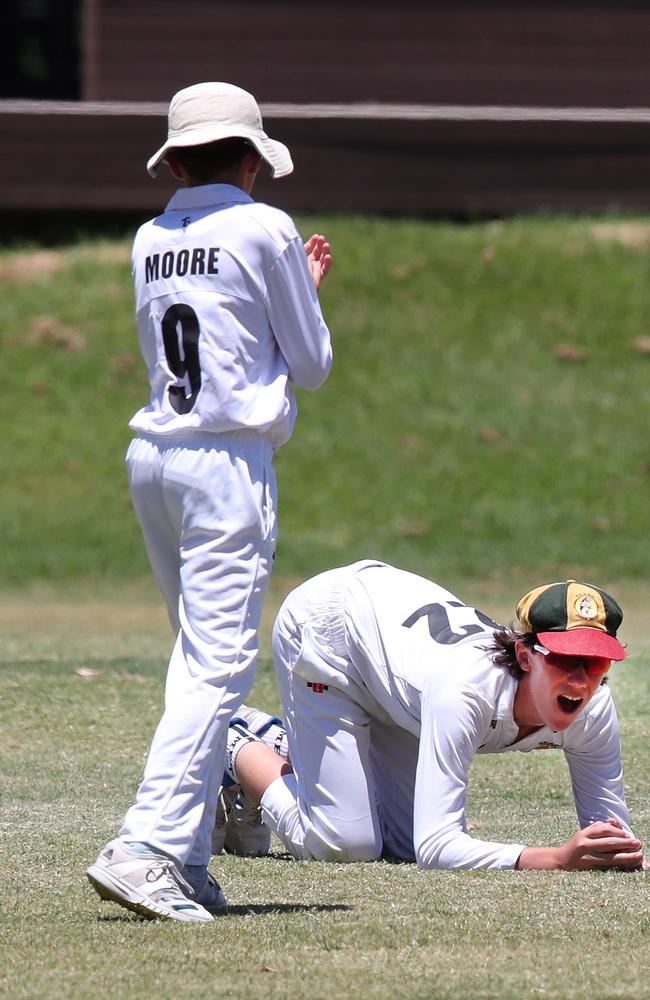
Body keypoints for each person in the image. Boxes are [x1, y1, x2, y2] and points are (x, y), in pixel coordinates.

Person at [86, 81, 333, 923]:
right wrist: (304, 287)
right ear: (251, 157)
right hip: (226, 462)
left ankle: (186, 857)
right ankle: (146, 846)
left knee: (196, 659)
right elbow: (310, 362)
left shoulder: (150, 234)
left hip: (153, 453)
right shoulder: (266, 226)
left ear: (178, 158)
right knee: (219, 663)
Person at [224, 561, 646, 872]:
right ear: (524, 655)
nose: (579, 679)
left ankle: (295, 747)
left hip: (399, 675)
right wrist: (554, 859)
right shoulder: (465, 692)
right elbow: (438, 846)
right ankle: (240, 742)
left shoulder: (595, 711)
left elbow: (610, 834)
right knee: (345, 843)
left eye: (596, 663)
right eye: (564, 658)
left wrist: (619, 852)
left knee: (401, 843)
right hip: (330, 629)